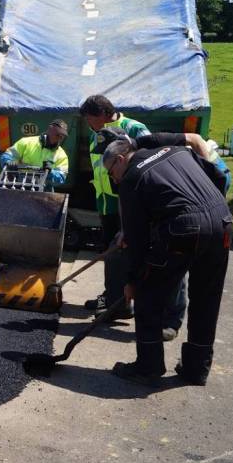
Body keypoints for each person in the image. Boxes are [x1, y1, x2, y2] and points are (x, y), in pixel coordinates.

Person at [100, 138, 233, 386]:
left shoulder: (132, 178)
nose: (114, 180)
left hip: (183, 230)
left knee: (148, 294)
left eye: (111, 173)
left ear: (120, 159)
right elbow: (218, 176)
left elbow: (137, 241)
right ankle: (196, 369)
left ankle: (148, 367)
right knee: (207, 298)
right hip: (222, 222)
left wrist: (132, 281)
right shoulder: (178, 151)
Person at [79, 94, 151, 318]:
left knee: (126, 253)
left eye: (89, 118)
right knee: (111, 255)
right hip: (106, 204)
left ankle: (124, 303)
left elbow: (150, 158)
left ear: (102, 114)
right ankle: (112, 297)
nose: (88, 123)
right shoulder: (96, 135)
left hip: (128, 203)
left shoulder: (133, 128)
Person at [0, 120, 70, 189]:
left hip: (43, 189)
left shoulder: (62, 155)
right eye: (57, 134)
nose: (59, 138)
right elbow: (7, 156)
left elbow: (62, 177)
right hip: (18, 184)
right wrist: (9, 162)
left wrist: (50, 172)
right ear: (50, 130)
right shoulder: (26, 142)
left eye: (62, 136)